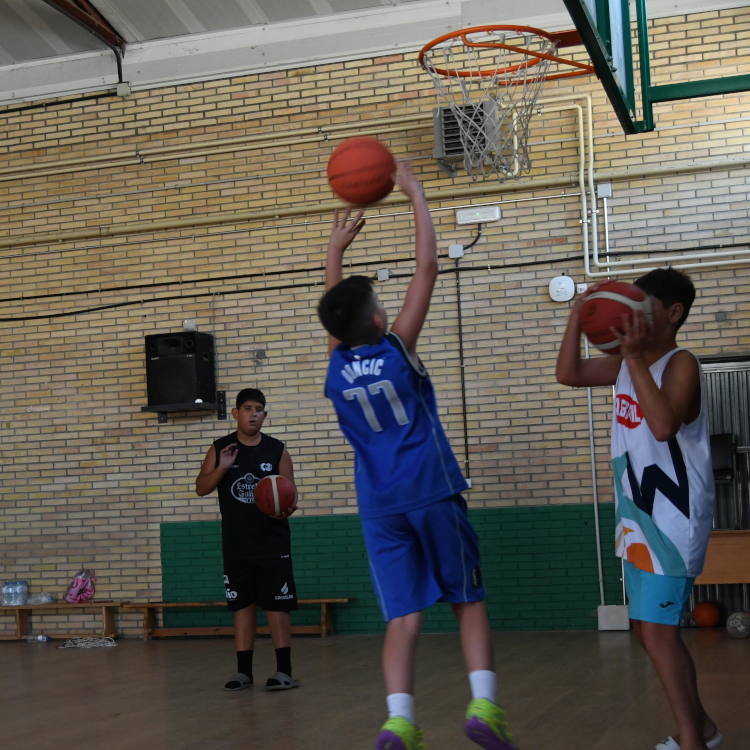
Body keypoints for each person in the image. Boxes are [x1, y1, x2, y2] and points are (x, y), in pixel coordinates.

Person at [317, 162, 517, 750]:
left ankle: (399, 720)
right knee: (467, 600)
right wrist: (415, 194)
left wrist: (334, 251)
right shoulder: (398, 349)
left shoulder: (335, 367)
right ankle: (484, 707)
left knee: (403, 617)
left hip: (380, 507)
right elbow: (426, 268)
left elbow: (335, 313)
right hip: (431, 490)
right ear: (380, 320)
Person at [555, 269, 721, 750]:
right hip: (637, 515)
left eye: (643, 308)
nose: (632, 317)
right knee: (650, 633)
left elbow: (664, 425)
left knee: (659, 634)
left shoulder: (680, 363)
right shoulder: (628, 365)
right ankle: (703, 731)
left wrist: (630, 358)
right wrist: (577, 315)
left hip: (674, 517)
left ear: (673, 313)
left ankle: (694, 741)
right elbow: (568, 374)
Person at [195, 388, 300, 692]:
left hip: (272, 542)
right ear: (236, 413)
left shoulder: (277, 450)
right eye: (248, 408)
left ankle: (284, 671)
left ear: (265, 415)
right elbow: (201, 487)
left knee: (277, 606)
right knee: (242, 605)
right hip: (237, 543)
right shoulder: (221, 448)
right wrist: (223, 467)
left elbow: (289, 494)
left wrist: (287, 508)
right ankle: (243, 673)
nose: (254, 414)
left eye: (259, 409)